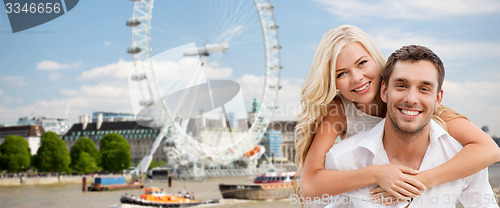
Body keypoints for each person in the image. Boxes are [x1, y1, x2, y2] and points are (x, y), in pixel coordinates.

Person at [294, 25, 500, 201]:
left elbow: (490, 149)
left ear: (376, 59)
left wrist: (419, 181)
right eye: (342, 73)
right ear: (333, 82)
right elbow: (310, 184)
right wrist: (377, 174)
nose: (356, 78)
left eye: (362, 63)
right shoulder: (339, 110)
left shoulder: (415, 105)